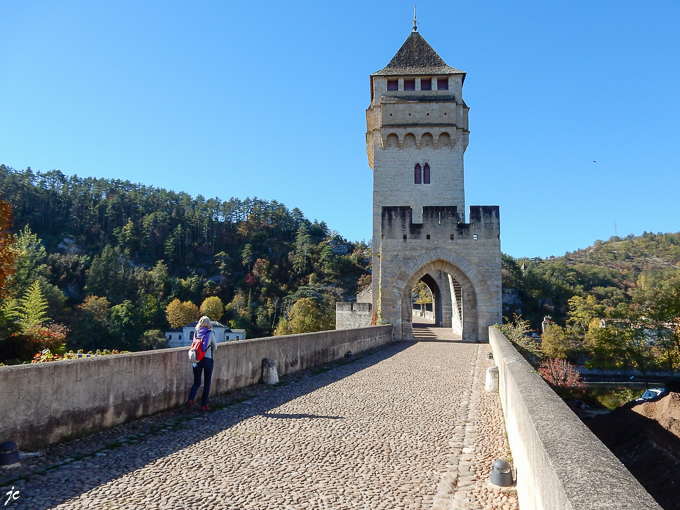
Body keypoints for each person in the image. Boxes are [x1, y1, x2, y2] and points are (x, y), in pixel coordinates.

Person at [187, 316, 218, 411]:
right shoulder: (210, 333)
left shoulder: (196, 333)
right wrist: (210, 346)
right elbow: (215, 348)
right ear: (209, 324)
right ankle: (204, 405)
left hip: (197, 360)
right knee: (207, 382)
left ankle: (190, 399)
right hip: (207, 360)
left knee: (196, 382)